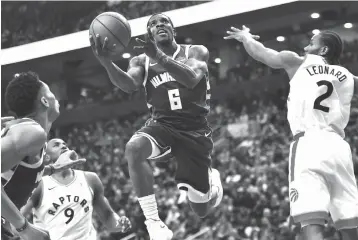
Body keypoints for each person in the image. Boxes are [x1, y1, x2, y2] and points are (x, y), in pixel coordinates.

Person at [90, 13, 223, 240]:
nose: (159, 25)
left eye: (164, 22)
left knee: (200, 210)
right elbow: (129, 85)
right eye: (153, 24)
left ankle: (213, 184)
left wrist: (160, 56)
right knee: (133, 148)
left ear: (173, 30)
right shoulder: (141, 61)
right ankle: (153, 222)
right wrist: (106, 62)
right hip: (162, 125)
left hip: (195, 131)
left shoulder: (196, 51)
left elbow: (191, 79)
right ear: (149, 34)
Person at [225, 27, 358, 240]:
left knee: (311, 221)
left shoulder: (296, 61)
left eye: (312, 41)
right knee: (349, 220)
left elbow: (262, 53)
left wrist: (246, 37)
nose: (307, 44)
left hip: (309, 143)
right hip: (339, 146)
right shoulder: (347, 76)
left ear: (323, 49)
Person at [1, 72, 85, 240]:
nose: (57, 98)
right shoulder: (32, 132)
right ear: (45, 101)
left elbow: (12, 174)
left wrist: (52, 168)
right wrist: (24, 227)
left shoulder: (29, 134)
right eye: (52, 94)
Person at [20, 138, 132, 240]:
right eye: (56, 145)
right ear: (47, 157)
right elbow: (17, 221)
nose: (63, 146)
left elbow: (108, 216)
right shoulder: (39, 184)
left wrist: (119, 223)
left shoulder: (90, 179)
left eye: (65, 144)